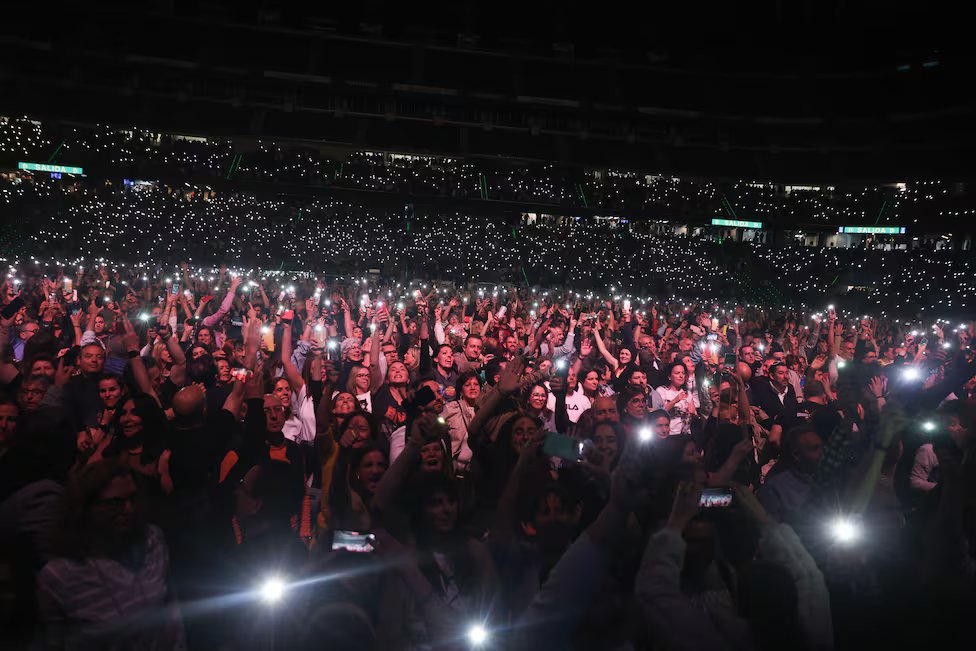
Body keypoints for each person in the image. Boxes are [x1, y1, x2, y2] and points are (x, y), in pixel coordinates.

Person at [35, 461, 185, 649]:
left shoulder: (152, 540)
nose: (129, 509)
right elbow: (56, 643)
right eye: (115, 503)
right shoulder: (60, 576)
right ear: (85, 508)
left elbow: (172, 612)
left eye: (132, 499)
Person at [655, 361, 699, 436]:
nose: (681, 376)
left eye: (683, 373)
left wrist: (693, 413)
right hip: (668, 434)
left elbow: (694, 415)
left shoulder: (687, 393)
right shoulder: (661, 391)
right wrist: (675, 400)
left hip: (685, 434)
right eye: (677, 373)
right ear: (669, 376)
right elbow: (658, 413)